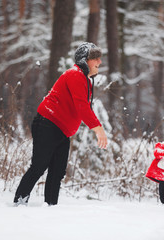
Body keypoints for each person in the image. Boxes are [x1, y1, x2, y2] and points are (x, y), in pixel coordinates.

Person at [14, 42, 108, 206]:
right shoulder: (75, 75)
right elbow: (81, 106)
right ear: (84, 61)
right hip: (47, 124)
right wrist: (98, 129)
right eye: (96, 58)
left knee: (57, 172)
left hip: (62, 130)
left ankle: (51, 207)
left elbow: (80, 106)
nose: (99, 62)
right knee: (39, 166)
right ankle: (19, 203)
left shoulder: (83, 78)